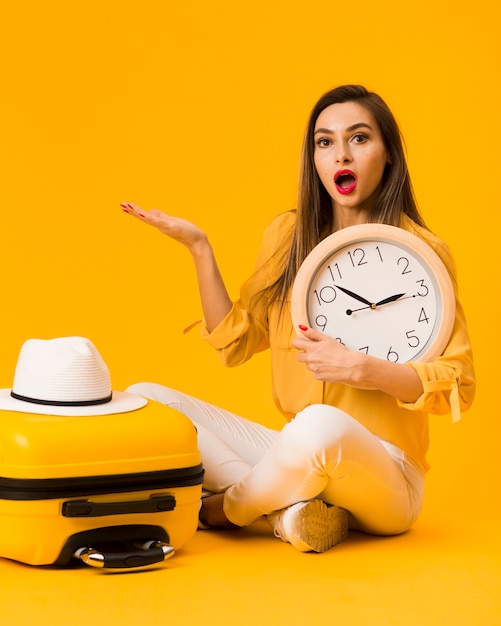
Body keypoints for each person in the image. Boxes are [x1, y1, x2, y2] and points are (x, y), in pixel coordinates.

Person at [121, 84, 475, 553]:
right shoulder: (288, 235)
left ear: (388, 154)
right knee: (147, 401)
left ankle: (227, 509)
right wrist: (199, 249)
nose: (341, 155)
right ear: (314, 159)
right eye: (325, 142)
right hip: (296, 452)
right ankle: (292, 514)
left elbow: (458, 385)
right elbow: (237, 342)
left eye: (360, 138)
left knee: (319, 425)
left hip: (386, 478)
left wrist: (364, 368)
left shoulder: (422, 252)